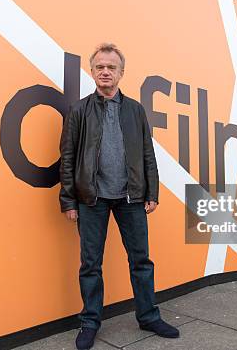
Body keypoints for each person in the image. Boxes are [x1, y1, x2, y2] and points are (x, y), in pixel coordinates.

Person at [59, 43, 180, 350]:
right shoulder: (78, 110)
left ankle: (148, 316)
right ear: (92, 71)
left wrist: (152, 191)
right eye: (100, 66)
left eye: (111, 67)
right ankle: (90, 322)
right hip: (92, 198)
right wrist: (69, 200)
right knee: (90, 264)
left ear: (121, 73)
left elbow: (147, 155)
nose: (105, 71)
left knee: (141, 260)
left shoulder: (136, 110)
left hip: (131, 198)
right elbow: (68, 157)